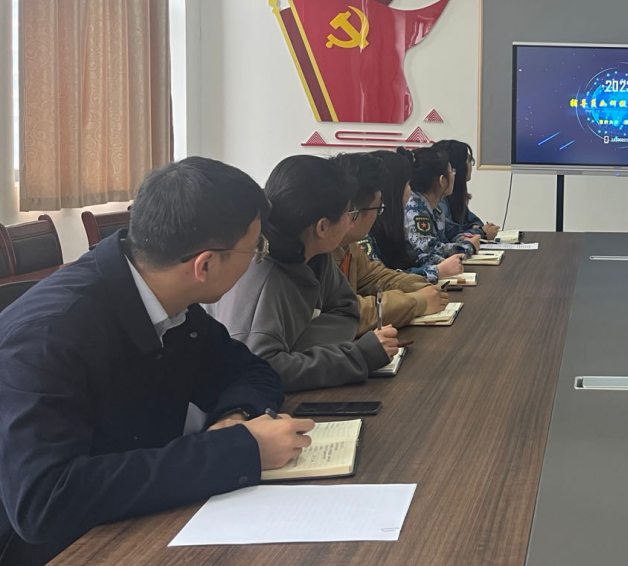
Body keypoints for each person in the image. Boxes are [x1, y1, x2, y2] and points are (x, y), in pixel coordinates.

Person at [0, 158, 314, 566]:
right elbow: (44, 502)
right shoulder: (49, 335)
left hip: (143, 519)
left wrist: (234, 417)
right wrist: (234, 451)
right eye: (255, 248)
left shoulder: (169, 298)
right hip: (63, 549)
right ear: (205, 264)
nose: (257, 259)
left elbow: (251, 370)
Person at [207, 155, 398, 391]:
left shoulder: (316, 253)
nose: (351, 221)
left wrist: (295, 351)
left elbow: (347, 311)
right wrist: (358, 356)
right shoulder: (263, 275)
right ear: (322, 227)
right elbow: (258, 370)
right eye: (348, 212)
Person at [330, 153, 448, 334]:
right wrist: (417, 302)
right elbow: (343, 314)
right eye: (378, 208)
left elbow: (377, 277)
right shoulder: (318, 251)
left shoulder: (347, 245)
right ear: (354, 213)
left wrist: (421, 286)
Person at [362, 149, 461, 280]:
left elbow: (412, 260)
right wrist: (437, 271)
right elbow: (382, 281)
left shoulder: (391, 224)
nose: (411, 191)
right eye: (408, 184)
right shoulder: (365, 232)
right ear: (394, 190)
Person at [404, 147, 479, 280]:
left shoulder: (434, 206)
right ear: (442, 180)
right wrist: (468, 247)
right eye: (452, 171)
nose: (454, 175)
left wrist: (465, 239)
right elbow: (428, 254)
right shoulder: (415, 209)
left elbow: (451, 233)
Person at [433, 139, 499, 242]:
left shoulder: (454, 196)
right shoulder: (438, 200)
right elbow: (453, 236)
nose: (471, 166)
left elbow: (473, 220)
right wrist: (482, 233)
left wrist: (475, 227)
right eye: (469, 161)